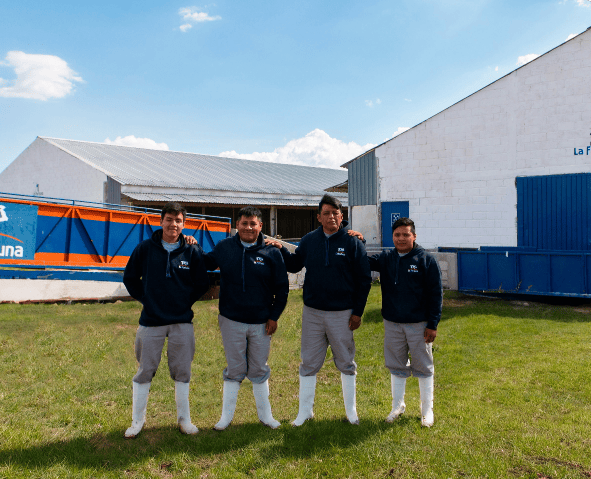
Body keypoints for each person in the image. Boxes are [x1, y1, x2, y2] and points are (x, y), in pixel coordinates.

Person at [267, 194, 372, 426]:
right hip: (312, 313)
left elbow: (364, 280)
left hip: (343, 313)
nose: (331, 217)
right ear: (319, 217)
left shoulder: (353, 242)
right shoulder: (309, 240)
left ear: (342, 216)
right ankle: (305, 413)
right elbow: (295, 265)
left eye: (335, 213)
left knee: (346, 362)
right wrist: (280, 249)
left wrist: (357, 312)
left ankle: (351, 413)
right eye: (326, 213)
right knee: (308, 362)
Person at [122, 202, 210, 438]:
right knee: (144, 370)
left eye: (178, 220)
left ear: (184, 224)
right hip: (151, 320)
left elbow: (202, 282)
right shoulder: (145, 248)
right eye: (169, 219)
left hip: (182, 321)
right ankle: (137, 421)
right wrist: (147, 299)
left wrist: (185, 301)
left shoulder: (191, 251)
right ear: (161, 221)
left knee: (183, 371)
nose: (173, 224)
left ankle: (184, 420)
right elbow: (130, 278)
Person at [203, 206, 289, 430]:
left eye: (253, 224)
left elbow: (282, 288)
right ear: (237, 225)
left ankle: (266, 416)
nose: (248, 228)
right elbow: (205, 263)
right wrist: (190, 245)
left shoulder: (272, 252)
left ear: (261, 226)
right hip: (231, 320)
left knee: (259, 369)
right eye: (244, 223)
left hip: (262, 322)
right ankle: (226, 418)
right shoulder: (225, 247)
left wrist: (274, 316)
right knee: (235, 369)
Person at [368, 217, 442, 427]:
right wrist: (358, 240)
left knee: (423, 366)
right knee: (396, 365)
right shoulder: (386, 258)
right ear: (392, 236)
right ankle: (397, 406)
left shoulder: (426, 260)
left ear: (414, 236)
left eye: (406, 234)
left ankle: (427, 410)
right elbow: (362, 261)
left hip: (419, 325)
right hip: (392, 323)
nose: (401, 238)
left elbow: (436, 294)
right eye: (397, 235)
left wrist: (432, 324)